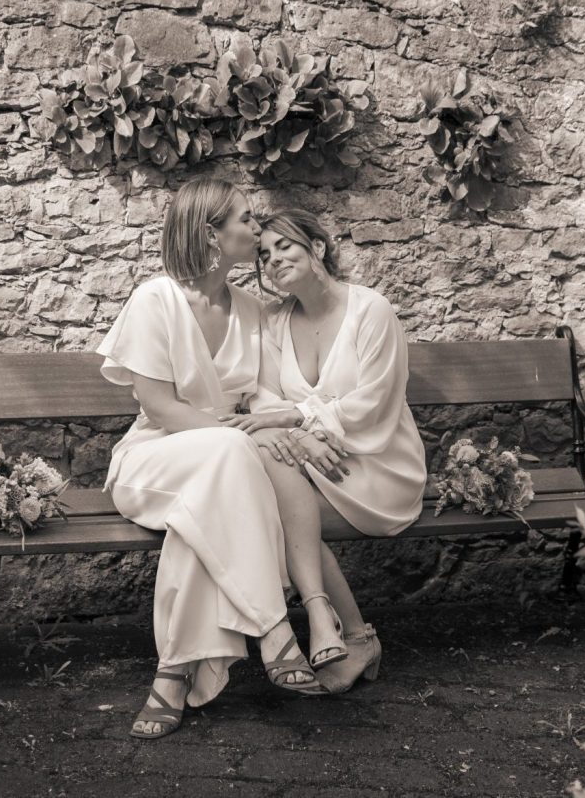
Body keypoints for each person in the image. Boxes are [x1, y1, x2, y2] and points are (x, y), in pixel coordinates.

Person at [95, 180, 323, 741]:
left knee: (198, 522)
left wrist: (279, 424)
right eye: (246, 218)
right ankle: (273, 624)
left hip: (224, 469)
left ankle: (171, 675)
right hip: (155, 460)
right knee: (228, 456)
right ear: (210, 234)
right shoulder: (155, 299)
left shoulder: (252, 309)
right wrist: (240, 436)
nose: (257, 228)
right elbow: (159, 406)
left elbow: (262, 394)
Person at [220, 209, 427, 693]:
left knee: (269, 520)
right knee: (266, 481)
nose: (273, 260)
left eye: (284, 246)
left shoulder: (370, 310)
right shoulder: (274, 320)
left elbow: (376, 401)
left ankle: (348, 633)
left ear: (317, 247)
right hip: (309, 465)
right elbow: (264, 399)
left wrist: (302, 423)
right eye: (263, 255)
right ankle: (343, 632)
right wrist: (300, 436)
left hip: (377, 465)